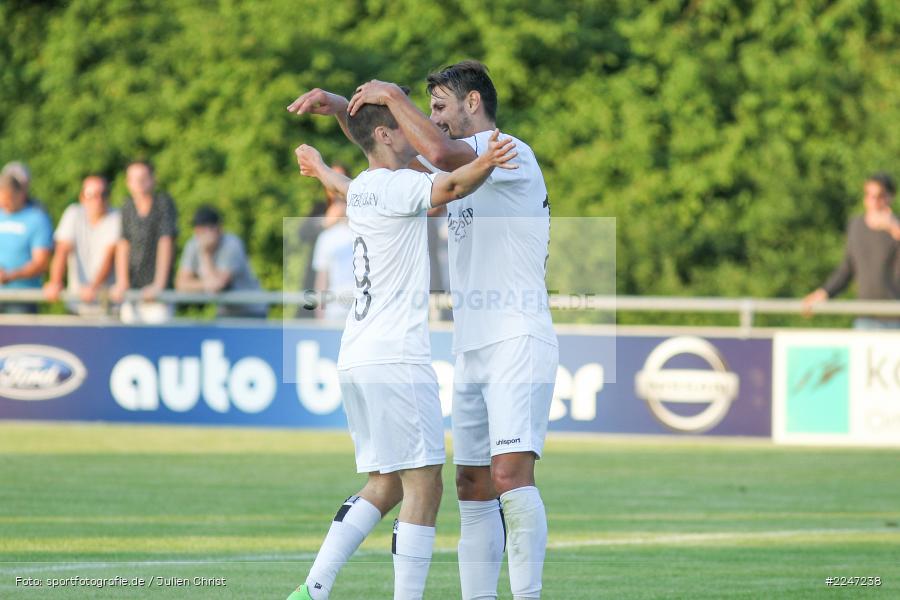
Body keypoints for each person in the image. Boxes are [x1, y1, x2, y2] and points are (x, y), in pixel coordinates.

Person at [285, 89, 518, 600]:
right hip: (395, 357)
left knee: (386, 484)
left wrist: (322, 162)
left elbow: (343, 176)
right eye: (400, 123)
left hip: (358, 355)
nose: (412, 128)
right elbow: (453, 185)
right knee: (425, 484)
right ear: (387, 134)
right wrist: (489, 160)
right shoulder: (394, 187)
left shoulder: (365, 188)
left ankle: (313, 588)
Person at [346, 61, 558, 600]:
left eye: (438, 105)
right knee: (472, 485)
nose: (432, 118)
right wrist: (340, 109)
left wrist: (392, 94)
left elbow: (437, 155)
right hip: (472, 346)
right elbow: (391, 154)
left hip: (516, 336)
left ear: (472, 104)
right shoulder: (464, 166)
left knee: (510, 476)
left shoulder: (506, 150)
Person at [803, 173, 900, 329]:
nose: (874, 202)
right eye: (869, 196)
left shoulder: (897, 227)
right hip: (865, 317)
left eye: (879, 196)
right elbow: (847, 268)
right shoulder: (856, 226)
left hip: (895, 317)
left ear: (890, 198)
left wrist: (895, 229)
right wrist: (824, 293)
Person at [110, 160, 178, 323]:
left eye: (143, 178)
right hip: (133, 290)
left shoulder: (162, 203)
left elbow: (166, 241)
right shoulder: (127, 206)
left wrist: (159, 284)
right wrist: (122, 281)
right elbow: (123, 243)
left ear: (153, 179)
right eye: (134, 178)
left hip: (157, 295)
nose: (139, 183)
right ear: (128, 182)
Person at [43, 175, 121, 315]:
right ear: (82, 197)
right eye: (92, 195)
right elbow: (62, 250)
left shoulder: (116, 217)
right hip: (77, 305)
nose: (98, 200)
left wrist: (94, 287)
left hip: (107, 306)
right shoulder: (73, 213)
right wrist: (55, 281)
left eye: (103, 194)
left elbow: (110, 256)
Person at [175, 205, 267, 318]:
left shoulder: (232, 245)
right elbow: (181, 284)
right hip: (225, 311)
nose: (198, 233)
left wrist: (206, 254)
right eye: (197, 229)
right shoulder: (193, 245)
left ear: (218, 229)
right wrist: (206, 284)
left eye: (203, 228)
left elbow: (217, 286)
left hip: (251, 311)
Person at [297, 163, 349, 318]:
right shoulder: (319, 207)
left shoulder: (357, 205)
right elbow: (302, 233)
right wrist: (326, 222)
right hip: (316, 276)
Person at [0, 172, 53, 314]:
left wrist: (10, 276)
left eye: (8, 198)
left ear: (20, 194)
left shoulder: (37, 219)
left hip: (22, 297)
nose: (4, 204)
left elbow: (41, 263)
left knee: (17, 336)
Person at [311, 200, 355, 322]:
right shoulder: (327, 237)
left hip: (342, 308)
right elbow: (322, 280)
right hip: (341, 309)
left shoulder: (326, 237)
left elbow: (321, 280)